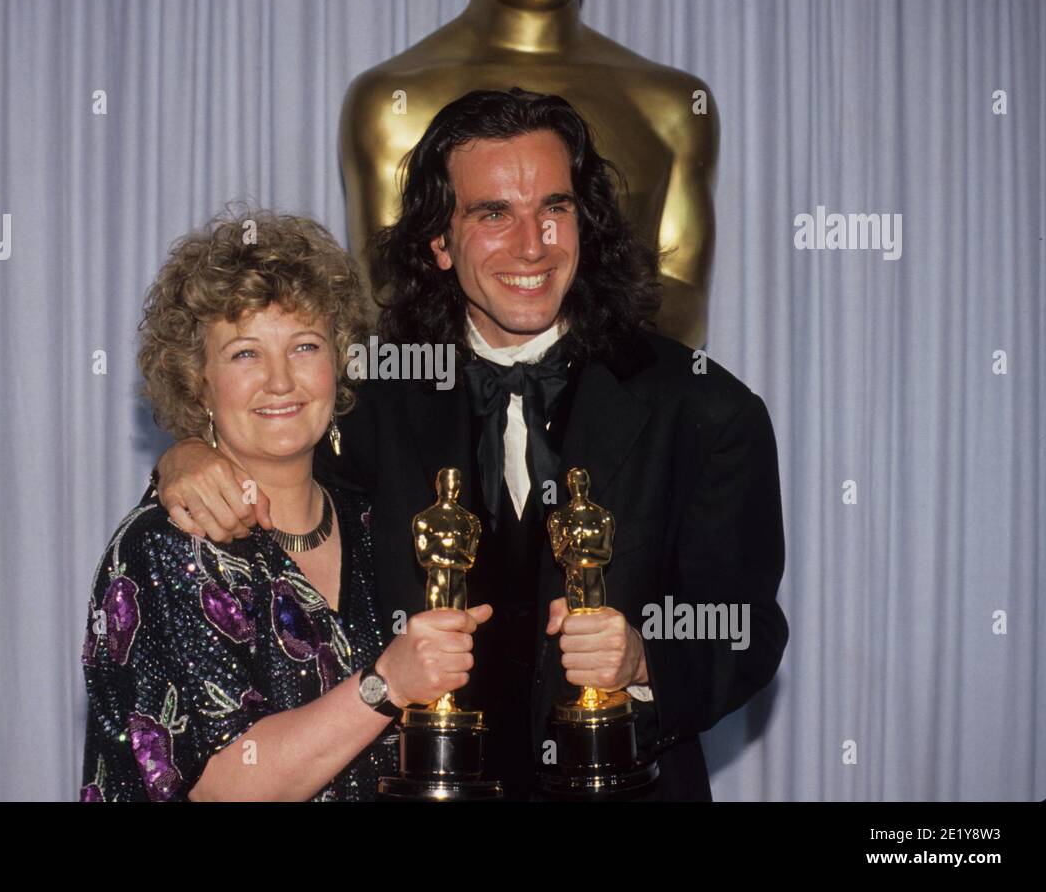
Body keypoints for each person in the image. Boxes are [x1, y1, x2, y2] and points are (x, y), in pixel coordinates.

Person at [155, 89, 789, 801]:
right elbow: (263, 457)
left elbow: (747, 630)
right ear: (440, 243)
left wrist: (645, 661)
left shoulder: (704, 408)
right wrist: (188, 454)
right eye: (494, 214)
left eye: (555, 208)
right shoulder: (366, 394)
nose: (532, 245)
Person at [80, 209, 492, 801]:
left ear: (339, 361)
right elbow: (222, 790)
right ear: (198, 379)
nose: (280, 382)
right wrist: (387, 685)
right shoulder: (165, 547)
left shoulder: (379, 523)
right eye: (246, 354)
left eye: (304, 346)